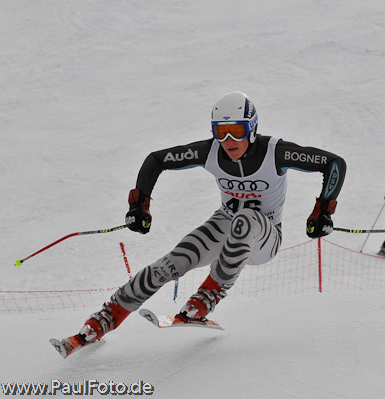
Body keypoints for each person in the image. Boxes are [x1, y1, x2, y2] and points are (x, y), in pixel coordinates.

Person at [51, 91, 347, 358]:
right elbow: (156, 160)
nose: (229, 141)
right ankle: (104, 318)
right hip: (225, 225)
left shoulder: (275, 152)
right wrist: (139, 205)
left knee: (244, 219)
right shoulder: (210, 151)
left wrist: (322, 211)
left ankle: (207, 296)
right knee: (173, 262)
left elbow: (334, 163)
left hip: (263, 237)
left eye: (237, 131)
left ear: (252, 129)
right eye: (221, 132)